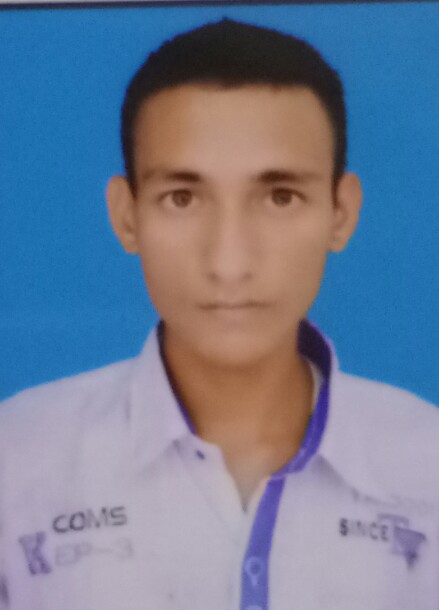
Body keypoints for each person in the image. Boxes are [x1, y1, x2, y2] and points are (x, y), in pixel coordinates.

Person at [0, 18, 438, 610]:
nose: (229, 263)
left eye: (280, 197)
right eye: (182, 198)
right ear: (126, 216)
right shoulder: (16, 460)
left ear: (341, 212)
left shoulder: (428, 465)